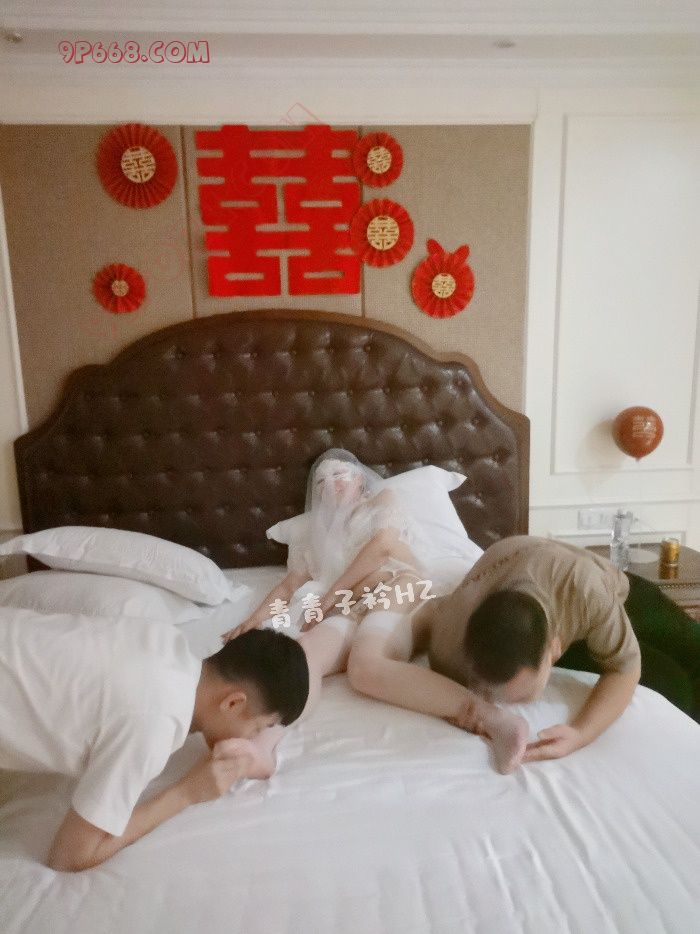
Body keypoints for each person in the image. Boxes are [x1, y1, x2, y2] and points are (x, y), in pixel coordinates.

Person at [223, 449, 526, 773]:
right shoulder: (314, 538)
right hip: (349, 605)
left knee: (365, 666)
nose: (332, 485)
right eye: (322, 482)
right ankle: (264, 743)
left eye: (340, 476)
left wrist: (328, 598)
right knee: (303, 653)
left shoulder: (382, 501)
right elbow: (288, 586)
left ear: (360, 482)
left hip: (397, 584)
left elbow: (382, 547)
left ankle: (492, 718)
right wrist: (252, 620)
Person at [0, 609, 308, 872]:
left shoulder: (163, 639)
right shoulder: (155, 721)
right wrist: (187, 792)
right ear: (233, 703)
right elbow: (69, 856)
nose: (252, 739)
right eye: (258, 728)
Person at [344, 535, 642, 770]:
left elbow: (626, 668)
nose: (507, 703)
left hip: (608, 585)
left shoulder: (587, 592)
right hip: (523, 575)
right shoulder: (449, 647)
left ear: (555, 649)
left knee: (668, 663)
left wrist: (581, 733)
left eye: (522, 697)